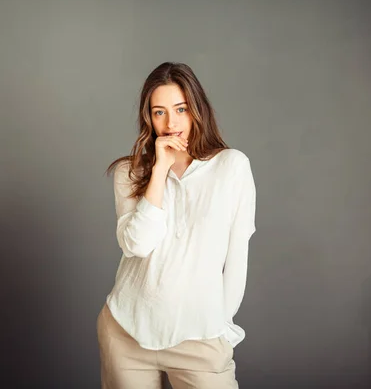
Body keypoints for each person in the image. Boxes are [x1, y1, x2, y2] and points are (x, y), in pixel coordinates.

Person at [97, 62, 257, 389]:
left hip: (200, 338)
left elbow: (237, 257)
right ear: (148, 118)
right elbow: (137, 245)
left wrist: (220, 329)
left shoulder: (232, 168)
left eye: (181, 109)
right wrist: (159, 170)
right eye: (159, 112)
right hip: (128, 335)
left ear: (197, 110)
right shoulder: (130, 173)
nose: (171, 123)